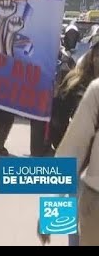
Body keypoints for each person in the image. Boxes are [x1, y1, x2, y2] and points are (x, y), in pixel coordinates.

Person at [40, 75, 99, 246]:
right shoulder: (89, 89)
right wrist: (50, 215)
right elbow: (70, 154)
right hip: (87, 189)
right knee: (75, 234)